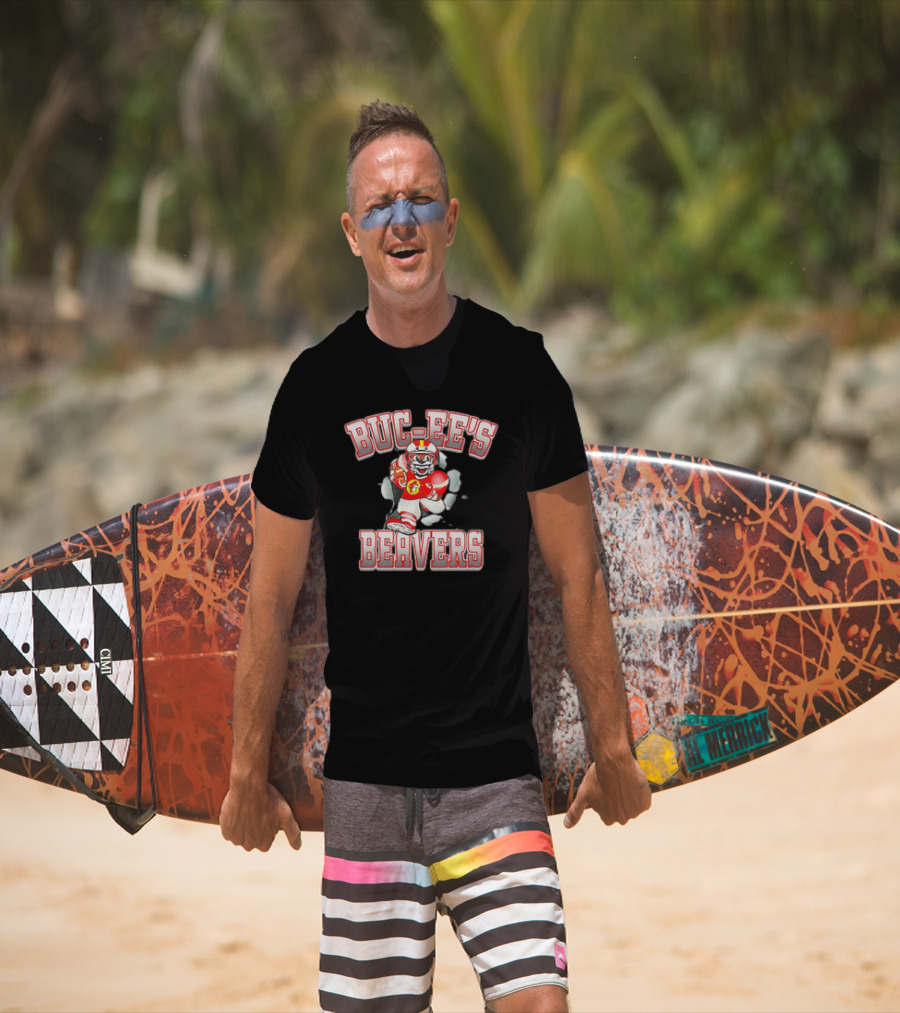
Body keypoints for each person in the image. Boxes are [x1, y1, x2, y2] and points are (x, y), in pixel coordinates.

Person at [220, 100, 651, 1013]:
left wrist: (612, 745)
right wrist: (244, 772)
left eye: (420, 200)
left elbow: (579, 574)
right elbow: (270, 599)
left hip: (496, 781)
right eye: (380, 206)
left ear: (450, 220)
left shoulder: (523, 372)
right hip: (366, 787)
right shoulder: (313, 389)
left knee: (540, 1004)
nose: (402, 221)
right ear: (352, 233)